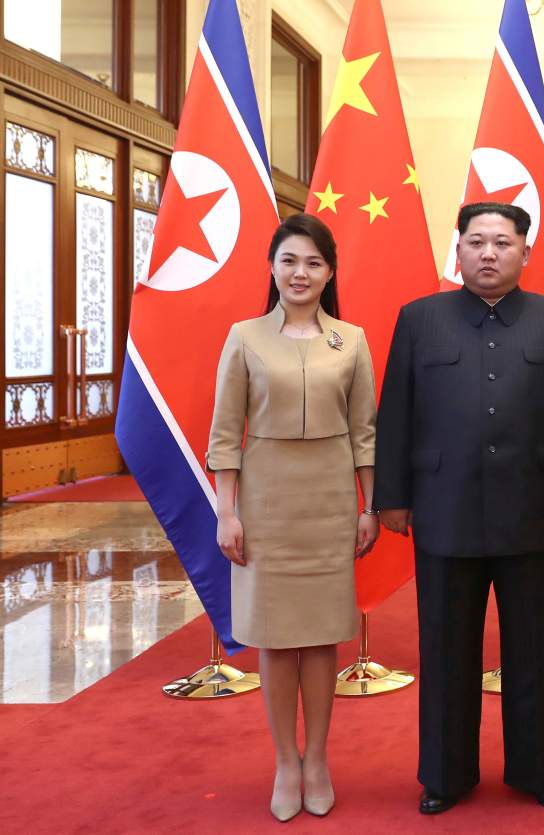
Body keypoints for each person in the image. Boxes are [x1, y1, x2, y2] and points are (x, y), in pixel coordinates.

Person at [374, 202, 544, 816]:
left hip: (536, 510)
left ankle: (542, 771)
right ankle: (444, 776)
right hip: (445, 513)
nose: (489, 253)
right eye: (476, 242)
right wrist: (392, 496)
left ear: (526, 252)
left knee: (538, 651)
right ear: (459, 251)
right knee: (445, 649)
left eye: (503, 242)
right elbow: (396, 412)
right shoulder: (420, 320)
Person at [207, 213, 379, 822]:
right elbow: (226, 434)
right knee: (277, 639)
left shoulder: (350, 340)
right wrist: (227, 511)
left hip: (331, 501)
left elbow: (366, 433)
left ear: (329, 272)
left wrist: (368, 506)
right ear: (272, 268)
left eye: (313, 263)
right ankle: (285, 760)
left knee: (323, 633)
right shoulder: (245, 336)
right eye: (289, 261)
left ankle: (318, 759)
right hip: (266, 501)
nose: (300, 273)